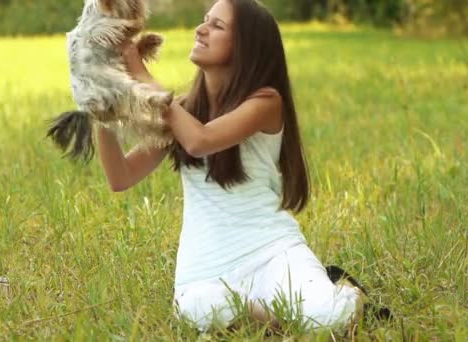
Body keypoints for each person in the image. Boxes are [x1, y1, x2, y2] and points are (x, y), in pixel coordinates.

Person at [98, 0, 365, 333]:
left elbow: (200, 140)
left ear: (245, 47)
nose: (201, 29)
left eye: (217, 26)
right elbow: (121, 176)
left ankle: (343, 294)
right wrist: (102, 112)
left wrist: (139, 74)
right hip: (208, 268)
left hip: (272, 253)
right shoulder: (181, 109)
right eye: (205, 20)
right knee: (194, 309)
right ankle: (279, 315)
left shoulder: (266, 102)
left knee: (330, 318)